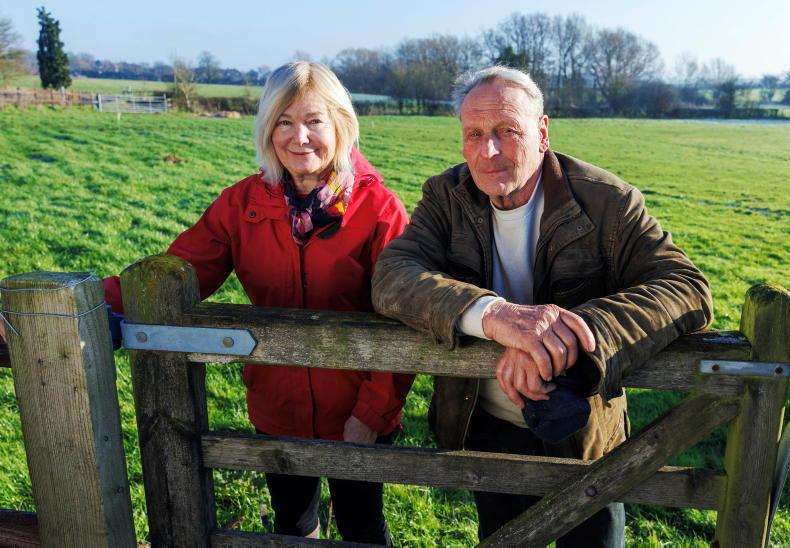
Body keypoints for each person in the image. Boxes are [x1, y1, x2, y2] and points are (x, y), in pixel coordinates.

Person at [371, 66, 713, 546]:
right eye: (474, 134)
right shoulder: (445, 197)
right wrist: (495, 316)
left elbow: (686, 286)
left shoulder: (607, 202)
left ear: (542, 132)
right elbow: (393, 276)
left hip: (584, 436)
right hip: (486, 427)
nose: (488, 151)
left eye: (507, 131)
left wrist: (570, 332)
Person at [99, 62, 412, 544]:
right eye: (283, 122)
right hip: (277, 404)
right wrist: (85, 302)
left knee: (362, 526)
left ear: (340, 125)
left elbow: (403, 318)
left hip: (356, 407)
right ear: (267, 130)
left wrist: (371, 414)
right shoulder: (242, 203)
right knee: (291, 525)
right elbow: (175, 274)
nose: (299, 137)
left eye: (313, 121)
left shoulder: (379, 210)